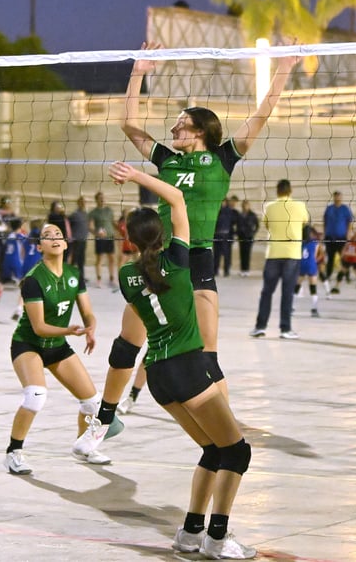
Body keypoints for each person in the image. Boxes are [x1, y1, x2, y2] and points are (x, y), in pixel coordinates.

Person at [101, 42, 298, 437]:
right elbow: (129, 123)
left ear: (201, 130)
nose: (173, 128)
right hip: (157, 258)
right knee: (129, 341)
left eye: (180, 123)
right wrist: (138, 71)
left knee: (207, 353)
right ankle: (105, 418)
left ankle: (228, 429)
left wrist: (284, 67)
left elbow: (262, 113)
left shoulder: (225, 156)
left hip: (197, 258)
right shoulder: (166, 160)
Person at [107, 160, 256, 558]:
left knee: (212, 448)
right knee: (237, 451)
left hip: (157, 375)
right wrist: (138, 175)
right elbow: (176, 199)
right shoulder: (179, 260)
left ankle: (191, 533)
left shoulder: (125, 276)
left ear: (130, 240)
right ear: (164, 233)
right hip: (188, 369)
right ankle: (218, 538)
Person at [5, 222, 109, 474]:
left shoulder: (74, 274)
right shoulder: (33, 279)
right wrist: (69, 331)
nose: (54, 238)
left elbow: (87, 312)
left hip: (57, 346)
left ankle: (84, 446)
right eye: (47, 236)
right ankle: (13, 452)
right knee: (36, 396)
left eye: (58, 235)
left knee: (93, 403)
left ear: (64, 243)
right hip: (28, 344)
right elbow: (39, 326)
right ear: (40, 246)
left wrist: (90, 328)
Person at [249, 179, 309, 339]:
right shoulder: (300, 206)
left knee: (267, 292)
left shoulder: (269, 207)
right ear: (290, 191)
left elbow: (267, 226)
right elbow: (304, 223)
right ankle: (285, 329)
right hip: (292, 254)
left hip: (273, 253)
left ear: (277, 191)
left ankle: (260, 327)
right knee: (287, 293)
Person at [323, 191, 355, 291]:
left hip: (341, 237)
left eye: (339, 196)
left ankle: (347, 276)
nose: (338, 198)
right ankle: (327, 276)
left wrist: (349, 233)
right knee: (330, 258)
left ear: (341, 197)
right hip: (330, 237)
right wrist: (324, 233)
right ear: (334, 197)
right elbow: (324, 221)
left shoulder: (345, 209)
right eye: (336, 196)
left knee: (344, 258)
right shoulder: (329, 208)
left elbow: (350, 221)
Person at [88, 191, 117, 288]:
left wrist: (121, 231)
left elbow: (113, 223)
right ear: (96, 200)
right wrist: (97, 233)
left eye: (103, 198)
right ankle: (99, 279)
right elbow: (90, 227)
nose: (102, 199)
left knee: (112, 258)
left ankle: (112, 279)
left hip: (110, 237)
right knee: (99, 259)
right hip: (100, 239)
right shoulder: (94, 212)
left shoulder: (109, 210)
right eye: (100, 198)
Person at [295, 224, 323, 317]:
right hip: (311, 264)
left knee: (296, 287)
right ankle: (314, 309)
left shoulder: (299, 242)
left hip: (301, 264)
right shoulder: (315, 242)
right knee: (313, 288)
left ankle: (292, 307)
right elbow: (315, 255)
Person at [333, 228, 356, 295]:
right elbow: (345, 247)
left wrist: (348, 254)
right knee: (342, 272)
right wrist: (343, 254)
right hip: (347, 259)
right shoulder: (351, 239)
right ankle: (336, 287)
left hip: (355, 260)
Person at [213, 196, 239, 278]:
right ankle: (215, 270)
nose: (222, 203)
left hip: (226, 236)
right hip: (217, 235)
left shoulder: (230, 211)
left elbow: (235, 223)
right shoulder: (216, 211)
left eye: (224, 201)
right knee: (216, 255)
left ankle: (226, 271)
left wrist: (234, 234)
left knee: (227, 255)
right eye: (221, 201)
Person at [68, 195, 89, 282]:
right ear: (78, 203)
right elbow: (68, 226)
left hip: (83, 240)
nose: (83, 203)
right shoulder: (74, 215)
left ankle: (81, 277)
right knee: (74, 260)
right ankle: (69, 276)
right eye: (81, 202)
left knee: (81, 260)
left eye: (84, 202)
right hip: (76, 240)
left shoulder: (86, 214)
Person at [236, 199, 259, 277]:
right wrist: (238, 232)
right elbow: (237, 225)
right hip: (241, 237)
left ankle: (247, 270)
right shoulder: (240, 214)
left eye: (246, 205)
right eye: (244, 205)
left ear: (249, 206)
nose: (245, 206)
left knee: (247, 253)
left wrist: (253, 233)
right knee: (242, 253)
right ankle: (242, 270)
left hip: (249, 237)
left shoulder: (252, 215)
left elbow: (257, 225)